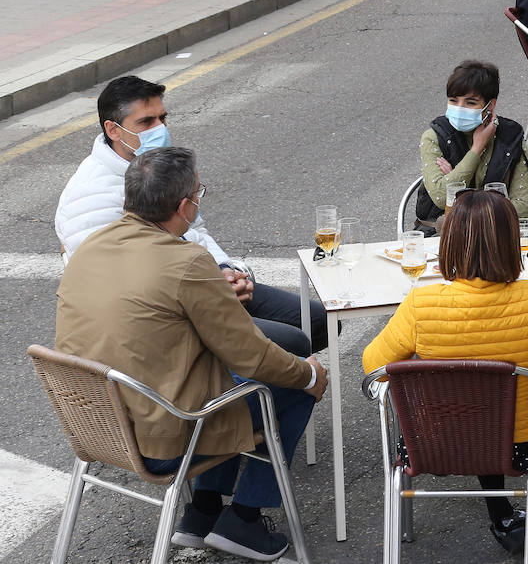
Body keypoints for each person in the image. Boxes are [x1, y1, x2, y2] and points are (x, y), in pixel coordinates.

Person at [56, 147, 327, 561]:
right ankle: (245, 519)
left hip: (98, 425)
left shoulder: (90, 247)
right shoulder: (186, 261)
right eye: (199, 192)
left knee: (218, 383)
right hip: (159, 437)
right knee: (283, 387)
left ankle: (202, 513)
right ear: (185, 207)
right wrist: (309, 375)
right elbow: (251, 356)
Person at [362, 191, 528, 552]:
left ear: (448, 244)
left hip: (432, 443)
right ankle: (518, 516)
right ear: (512, 243)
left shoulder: (421, 302)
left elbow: (374, 365)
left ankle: (500, 518)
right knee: (514, 413)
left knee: (472, 409)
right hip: (521, 447)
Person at [55, 76, 327, 356]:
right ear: (113, 130)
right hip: (166, 313)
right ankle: (243, 386)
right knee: (292, 343)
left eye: (163, 118)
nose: (159, 129)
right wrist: (210, 293)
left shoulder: (158, 164)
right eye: (147, 122)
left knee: (317, 322)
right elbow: (117, 284)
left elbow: (194, 229)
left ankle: (263, 380)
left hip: (202, 285)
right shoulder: (90, 197)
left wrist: (227, 271)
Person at [416, 61, 528, 232]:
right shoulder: (434, 137)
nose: (459, 108)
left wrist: (460, 193)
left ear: (490, 105)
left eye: (470, 103)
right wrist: (476, 149)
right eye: (453, 100)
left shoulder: (510, 137)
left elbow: (523, 206)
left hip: (497, 233)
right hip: (446, 234)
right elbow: (442, 197)